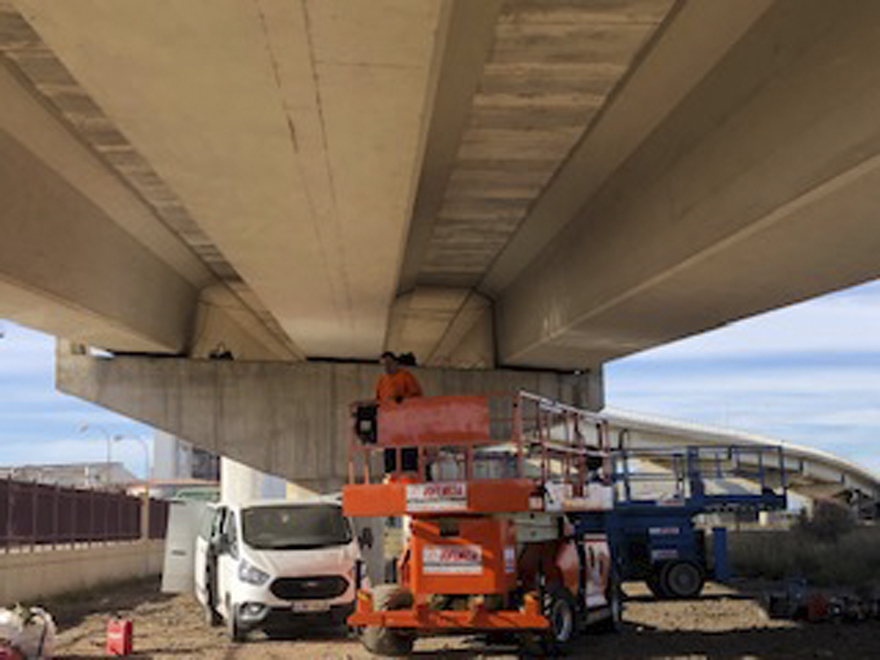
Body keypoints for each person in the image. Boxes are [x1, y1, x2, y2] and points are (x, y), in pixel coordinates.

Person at [375, 352, 422, 474]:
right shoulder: (382, 381)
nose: (386, 367)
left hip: (406, 423)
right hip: (390, 423)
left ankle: (410, 473)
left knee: (407, 451)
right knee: (390, 451)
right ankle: (391, 473)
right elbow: (378, 400)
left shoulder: (406, 376)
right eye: (384, 365)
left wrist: (403, 399)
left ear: (396, 363)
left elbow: (416, 396)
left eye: (389, 363)